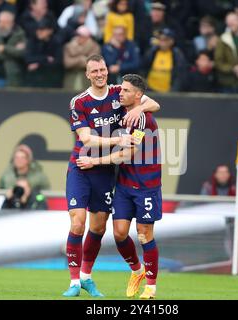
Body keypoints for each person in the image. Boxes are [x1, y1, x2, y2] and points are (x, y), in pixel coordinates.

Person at [62, 54, 160, 297]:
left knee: (99, 228)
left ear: (107, 70)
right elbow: (86, 139)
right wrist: (119, 139)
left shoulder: (119, 92)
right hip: (82, 165)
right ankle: (74, 282)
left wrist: (139, 108)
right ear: (87, 74)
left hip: (106, 170)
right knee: (78, 222)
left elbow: (154, 104)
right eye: (94, 71)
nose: (99, 74)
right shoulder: (79, 102)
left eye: (102, 69)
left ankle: (86, 277)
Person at [0, 11, 27, 88]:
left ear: (12, 23)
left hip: (14, 77)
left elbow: (22, 53)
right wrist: (13, 51)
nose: (2, 25)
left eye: (5, 22)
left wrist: (4, 48)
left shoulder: (20, 35)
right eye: (0, 22)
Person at [142, 28, 187, 93]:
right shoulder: (152, 52)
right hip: (150, 91)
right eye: (160, 39)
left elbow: (180, 75)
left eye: (165, 40)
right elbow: (143, 69)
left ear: (172, 41)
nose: (162, 42)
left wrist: (173, 91)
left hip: (168, 93)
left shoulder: (176, 54)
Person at [25, 17, 64, 88]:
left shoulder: (56, 43)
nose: (39, 32)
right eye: (38, 29)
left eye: (42, 29)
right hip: (34, 80)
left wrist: (38, 64)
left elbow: (57, 62)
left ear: (50, 31)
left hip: (51, 80)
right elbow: (28, 58)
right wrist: (45, 58)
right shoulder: (32, 41)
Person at [63, 25, 100, 91]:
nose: (79, 37)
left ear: (87, 37)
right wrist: (81, 59)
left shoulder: (94, 46)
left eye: (81, 36)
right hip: (71, 77)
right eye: (78, 35)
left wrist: (74, 60)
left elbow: (92, 64)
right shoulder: (69, 46)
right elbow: (67, 63)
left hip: (87, 79)